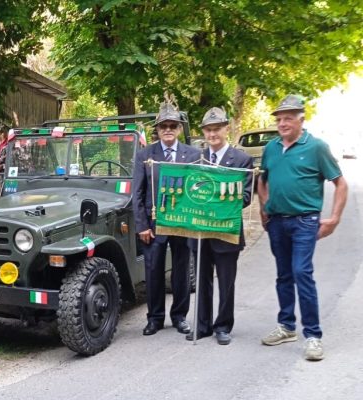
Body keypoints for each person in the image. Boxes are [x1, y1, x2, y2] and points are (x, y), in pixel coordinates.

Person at [258, 95, 348, 361]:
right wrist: (265, 208)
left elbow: (340, 183)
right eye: (279, 119)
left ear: (301, 119)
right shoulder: (272, 148)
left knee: (301, 272)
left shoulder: (317, 147)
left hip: (305, 221)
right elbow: (263, 181)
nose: (283, 123)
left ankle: (313, 336)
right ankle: (287, 326)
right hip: (277, 222)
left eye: (288, 118)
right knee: (284, 274)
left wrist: (334, 217)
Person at [133, 100, 201, 336]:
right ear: (158, 129)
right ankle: (155, 318)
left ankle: (180, 316)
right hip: (154, 225)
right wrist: (141, 225)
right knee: (153, 271)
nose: (168, 129)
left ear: (180, 128)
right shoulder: (144, 154)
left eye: (173, 125)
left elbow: (199, 189)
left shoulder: (193, 155)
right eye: (164, 126)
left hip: (182, 224)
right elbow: (138, 193)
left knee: (181, 270)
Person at [186, 107, 253, 345]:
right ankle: (202, 326)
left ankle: (223, 326)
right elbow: (188, 192)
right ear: (203, 132)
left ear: (226, 129)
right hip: (200, 231)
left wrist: (214, 198)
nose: (213, 134)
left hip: (226, 231)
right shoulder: (195, 158)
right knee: (202, 281)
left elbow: (246, 196)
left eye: (217, 129)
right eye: (209, 130)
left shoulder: (242, 159)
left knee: (226, 282)